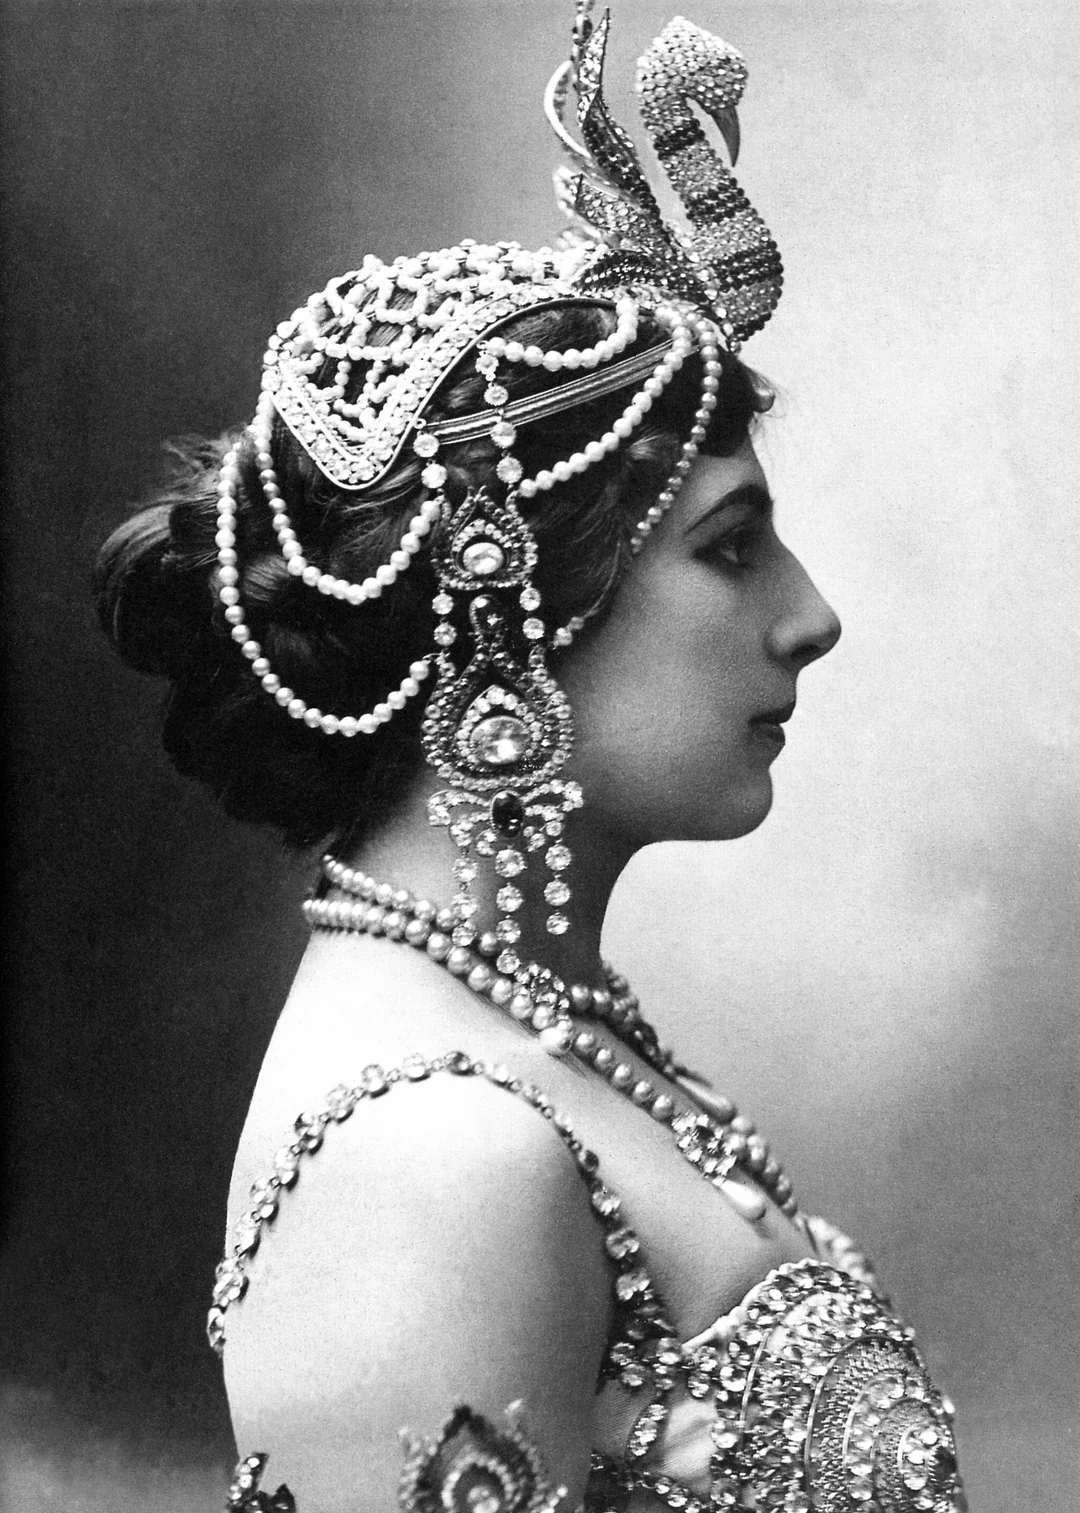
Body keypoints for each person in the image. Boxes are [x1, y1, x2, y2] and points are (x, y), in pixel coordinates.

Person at [95, 6, 968, 1511]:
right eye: (731, 549)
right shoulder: (432, 1159)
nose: (811, 618)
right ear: (514, 607)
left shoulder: (547, 1025)